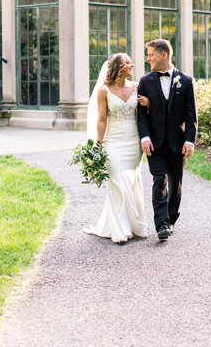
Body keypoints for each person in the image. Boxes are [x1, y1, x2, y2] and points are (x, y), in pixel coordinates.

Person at [84, 53, 149, 243]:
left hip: (133, 140)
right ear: (118, 67)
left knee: (131, 181)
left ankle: (133, 224)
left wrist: (149, 103)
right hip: (114, 141)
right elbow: (102, 120)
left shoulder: (137, 87)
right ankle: (120, 229)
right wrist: (98, 145)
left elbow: (145, 113)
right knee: (117, 182)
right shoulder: (104, 91)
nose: (133, 65)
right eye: (128, 62)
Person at [137, 39, 197, 241]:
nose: (148, 59)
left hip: (178, 143)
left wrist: (190, 140)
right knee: (159, 180)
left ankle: (171, 219)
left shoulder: (187, 81)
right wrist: (144, 137)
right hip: (154, 142)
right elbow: (141, 114)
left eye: (151, 54)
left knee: (176, 183)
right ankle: (161, 224)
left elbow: (191, 115)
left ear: (164, 55)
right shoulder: (145, 82)